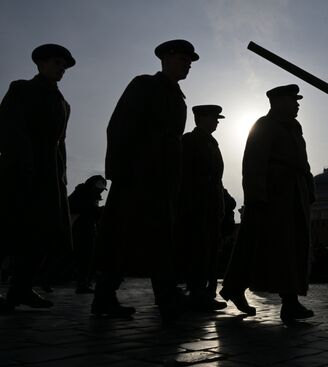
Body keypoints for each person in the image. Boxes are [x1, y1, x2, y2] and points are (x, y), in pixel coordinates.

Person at [91, 39, 199, 321]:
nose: (187, 64)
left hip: (163, 178)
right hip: (137, 174)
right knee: (123, 236)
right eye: (182, 58)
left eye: (190, 60)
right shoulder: (144, 85)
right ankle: (108, 295)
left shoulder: (178, 98)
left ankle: (165, 296)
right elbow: (119, 126)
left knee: (160, 238)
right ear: (165, 58)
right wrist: (119, 170)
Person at [220, 84, 316, 323]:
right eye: (293, 100)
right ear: (280, 102)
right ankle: (283, 300)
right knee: (260, 246)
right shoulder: (265, 125)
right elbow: (253, 162)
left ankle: (289, 301)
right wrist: (256, 197)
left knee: (289, 247)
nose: (297, 104)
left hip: (293, 196)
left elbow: (303, 164)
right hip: (274, 197)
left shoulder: (294, 129)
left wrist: (309, 189)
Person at [0, 44, 75, 312]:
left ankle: (21, 288)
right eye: (56, 63)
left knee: (43, 232)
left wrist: (61, 174)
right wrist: (21, 163)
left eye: (64, 66)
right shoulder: (22, 88)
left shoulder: (63, 103)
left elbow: (61, 143)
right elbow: (9, 127)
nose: (61, 69)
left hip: (50, 173)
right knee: (9, 228)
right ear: (41, 63)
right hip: (20, 168)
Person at [178, 105, 227, 311]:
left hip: (211, 203)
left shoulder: (212, 144)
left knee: (208, 249)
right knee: (196, 248)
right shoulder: (190, 140)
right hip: (196, 203)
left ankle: (205, 292)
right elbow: (183, 174)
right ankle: (196, 292)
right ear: (202, 118)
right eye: (214, 118)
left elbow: (217, 179)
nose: (217, 121)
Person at [69, 175, 107, 293]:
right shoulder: (81, 193)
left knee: (87, 258)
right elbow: (74, 207)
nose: (100, 190)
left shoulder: (92, 196)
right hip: (79, 229)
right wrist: (96, 210)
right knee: (82, 258)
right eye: (99, 187)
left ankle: (84, 283)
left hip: (89, 230)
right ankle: (82, 284)